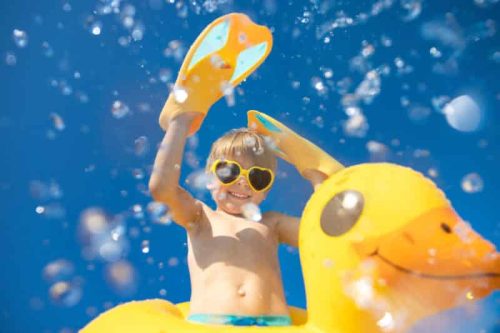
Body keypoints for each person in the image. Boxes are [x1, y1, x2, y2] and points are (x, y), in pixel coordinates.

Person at [148, 112, 328, 326]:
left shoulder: (272, 223)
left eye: (257, 177)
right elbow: (162, 189)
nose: (243, 183)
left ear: (266, 190)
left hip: (274, 325)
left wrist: (317, 179)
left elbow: (322, 234)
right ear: (209, 178)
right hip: (214, 324)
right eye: (229, 171)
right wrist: (179, 124)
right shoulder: (200, 216)